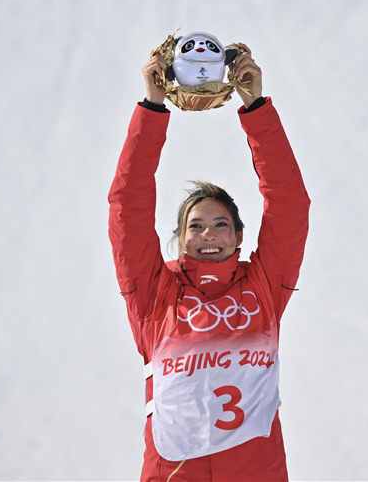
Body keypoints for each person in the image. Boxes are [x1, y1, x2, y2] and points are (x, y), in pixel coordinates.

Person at [108, 42, 310, 482]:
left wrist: (255, 105)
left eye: (221, 225)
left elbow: (291, 204)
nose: (208, 235)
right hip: (173, 471)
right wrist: (152, 105)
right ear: (179, 239)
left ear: (240, 236)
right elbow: (128, 206)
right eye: (195, 226)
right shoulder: (153, 297)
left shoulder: (263, 288)